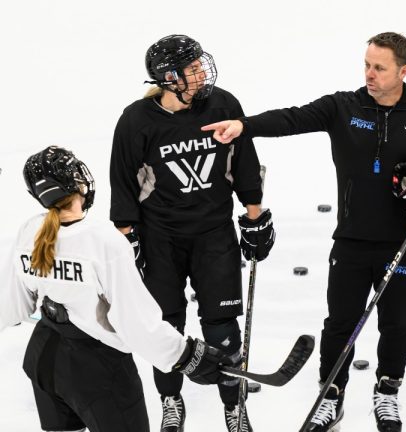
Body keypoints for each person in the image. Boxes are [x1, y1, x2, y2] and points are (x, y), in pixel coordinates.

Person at [202, 32, 406, 432]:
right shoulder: (343, 106)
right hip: (352, 240)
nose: (369, 74)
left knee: (397, 322)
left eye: (379, 68)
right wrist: (244, 126)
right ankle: (331, 395)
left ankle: (387, 392)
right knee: (340, 321)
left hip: (403, 242)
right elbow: (293, 117)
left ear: (403, 71)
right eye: (366, 65)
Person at [0, 146, 236, 432]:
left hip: (43, 360)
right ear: (77, 182)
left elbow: (12, 308)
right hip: (99, 371)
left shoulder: (30, 230)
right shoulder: (104, 241)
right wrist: (185, 356)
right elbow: (135, 323)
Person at [109, 34, 273, 432]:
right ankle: (170, 400)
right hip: (159, 239)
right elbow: (123, 184)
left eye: (201, 63)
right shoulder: (137, 120)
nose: (202, 72)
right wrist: (127, 239)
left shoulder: (222, 104)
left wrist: (254, 216)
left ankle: (234, 405)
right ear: (169, 77)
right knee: (165, 326)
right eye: (192, 67)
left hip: (214, 235)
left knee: (222, 326)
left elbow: (244, 162)